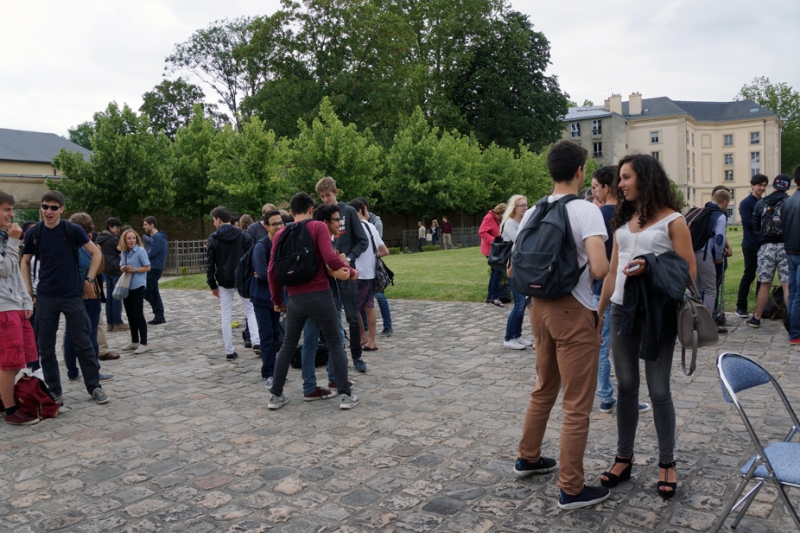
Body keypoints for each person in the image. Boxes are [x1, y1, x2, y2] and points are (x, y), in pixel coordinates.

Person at [513, 141, 610, 510]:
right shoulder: (586, 210)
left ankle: (529, 456)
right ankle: (571, 487)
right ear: (581, 171)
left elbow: (515, 266)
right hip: (573, 310)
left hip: (538, 308)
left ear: (551, 170)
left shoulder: (535, 208)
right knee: (576, 404)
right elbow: (600, 269)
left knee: (544, 387)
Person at [596, 153, 696, 500]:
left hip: (657, 315)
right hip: (622, 312)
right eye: (619, 179)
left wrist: (650, 266)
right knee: (625, 386)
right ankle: (624, 456)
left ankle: (667, 462)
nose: (619, 184)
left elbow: (689, 275)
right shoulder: (622, 221)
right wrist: (600, 311)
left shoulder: (674, 221)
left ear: (645, 178)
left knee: (658, 391)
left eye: (625, 178)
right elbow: (611, 272)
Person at [266, 192, 359, 410]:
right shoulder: (317, 227)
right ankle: (345, 394)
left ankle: (276, 395)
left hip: (295, 298)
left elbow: (272, 270)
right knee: (335, 342)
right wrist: (351, 271)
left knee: (288, 345)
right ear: (311, 210)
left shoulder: (280, 234)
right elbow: (330, 258)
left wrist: (277, 299)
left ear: (290, 212)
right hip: (320, 294)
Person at [20, 191, 108, 405]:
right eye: (44, 206)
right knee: (45, 346)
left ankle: (94, 386)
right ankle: (54, 390)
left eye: (53, 207)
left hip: (71, 295)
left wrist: (89, 279)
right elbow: (25, 261)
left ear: (62, 209)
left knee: (84, 343)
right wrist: (28, 291)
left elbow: (96, 253)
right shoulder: (35, 233)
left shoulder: (73, 229)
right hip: (46, 297)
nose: (48, 211)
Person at [590, 166, 651, 414]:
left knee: (604, 346)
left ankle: (606, 395)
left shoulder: (598, 215)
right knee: (623, 348)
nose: (594, 192)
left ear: (606, 187)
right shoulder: (627, 215)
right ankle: (618, 396)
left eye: (595, 187)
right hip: (624, 286)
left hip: (601, 285)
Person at [297, 203, 355, 401]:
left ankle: (311, 385)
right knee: (335, 339)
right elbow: (332, 268)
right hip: (324, 297)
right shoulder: (323, 242)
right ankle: (336, 380)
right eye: (337, 220)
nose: (340, 223)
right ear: (324, 223)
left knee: (310, 342)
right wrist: (347, 266)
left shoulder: (311, 239)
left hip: (306, 297)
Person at [316, 177, 370, 373]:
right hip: (327, 273)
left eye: (328, 195)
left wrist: (350, 257)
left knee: (352, 316)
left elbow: (362, 241)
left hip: (346, 271)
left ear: (336, 193)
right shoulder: (319, 215)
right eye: (322, 197)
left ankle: (357, 355)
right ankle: (336, 357)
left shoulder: (348, 212)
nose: (326, 200)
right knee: (331, 317)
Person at [0, 191, 40, 425]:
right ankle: (11, 410)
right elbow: (3, 269)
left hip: (14, 305)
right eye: (6, 209)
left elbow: (14, 274)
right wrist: (15, 242)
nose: (11, 214)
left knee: (21, 357)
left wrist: (26, 301)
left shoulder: (5, 238)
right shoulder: (9, 240)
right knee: (10, 361)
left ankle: (3, 398)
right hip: (3, 308)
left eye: (11, 209)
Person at [63, 213, 115, 382]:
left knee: (70, 333)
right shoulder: (89, 245)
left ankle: (72, 371)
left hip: (71, 293)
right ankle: (94, 371)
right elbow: (100, 268)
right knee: (90, 332)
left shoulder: (65, 244)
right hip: (89, 292)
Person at [206, 207, 260, 359]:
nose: (213, 223)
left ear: (218, 219)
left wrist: (212, 284)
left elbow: (210, 263)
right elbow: (252, 256)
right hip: (242, 278)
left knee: (226, 314)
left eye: (213, 220)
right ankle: (256, 341)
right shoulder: (243, 235)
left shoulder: (214, 238)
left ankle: (229, 350)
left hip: (224, 279)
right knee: (250, 310)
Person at [746, 175, 792, 328]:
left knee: (764, 283)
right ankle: (792, 320)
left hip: (766, 246)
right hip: (786, 246)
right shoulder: (790, 202)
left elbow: (756, 226)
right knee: (787, 284)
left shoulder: (761, 203)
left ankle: (757, 318)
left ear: (773, 186)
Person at [350, 199, 389, 351]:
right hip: (371, 273)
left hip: (358, 273)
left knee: (354, 308)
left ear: (359, 210)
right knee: (369, 306)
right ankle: (372, 340)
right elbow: (385, 250)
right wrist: (373, 255)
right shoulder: (371, 226)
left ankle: (362, 337)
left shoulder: (354, 228)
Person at [251, 210, 284, 388]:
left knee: (276, 334)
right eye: (274, 224)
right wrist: (282, 272)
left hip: (277, 297)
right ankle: (268, 373)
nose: (279, 226)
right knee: (267, 335)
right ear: (266, 227)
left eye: (280, 223)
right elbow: (263, 273)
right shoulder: (261, 246)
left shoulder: (282, 244)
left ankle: (276, 371)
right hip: (262, 298)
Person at [695, 189, 730, 334]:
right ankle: (706, 325)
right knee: (710, 290)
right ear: (725, 202)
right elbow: (719, 238)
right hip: (705, 254)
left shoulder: (702, 211)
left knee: (695, 290)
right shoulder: (719, 216)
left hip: (692, 253)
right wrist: (718, 257)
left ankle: (692, 320)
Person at [500, 195, 532, 350]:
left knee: (523, 304)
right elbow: (521, 243)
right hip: (513, 267)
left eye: (526, 205)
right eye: (522, 206)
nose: (525, 208)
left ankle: (517, 335)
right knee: (519, 304)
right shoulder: (510, 224)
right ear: (514, 208)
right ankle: (508, 337)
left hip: (522, 267)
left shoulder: (522, 222)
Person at [736, 174, 769, 317]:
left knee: (762, 276)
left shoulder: (765, 202)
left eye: (764, 185)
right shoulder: (746, 203)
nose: (762, 188)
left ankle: (759, 309)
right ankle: (740, 307)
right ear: (752, 185)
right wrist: (764, 224)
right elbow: (748, 223)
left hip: (763, 243)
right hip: (750, 243)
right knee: (749, 275)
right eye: (759, 185)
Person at [118, 229, 151, 354]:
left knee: (138, 314)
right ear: (124, 240)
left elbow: (148, 267)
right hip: (127, 285)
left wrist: (135, 270)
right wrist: (122, 268)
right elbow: (121, 265)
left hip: (138, 284)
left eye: (133, 238)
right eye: (129, 238)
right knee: (129, 314)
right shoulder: (124, 252)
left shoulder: (141, 251)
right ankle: (134, 340)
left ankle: (144, 342)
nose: (132, 240)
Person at [96, 218, 128, 332]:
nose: (118, 230)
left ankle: (110, 323)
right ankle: (117, 322)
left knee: (109, 297)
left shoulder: (100, 238)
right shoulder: (114, 239)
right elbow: (122, 252)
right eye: (117, 227)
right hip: (115, 269)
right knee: (117, 297)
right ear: (110, 226)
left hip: (106, 269)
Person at [782, 165, 800, 344]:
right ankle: (795, 333)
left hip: (790, 250)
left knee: (794, 293)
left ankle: (793, 329)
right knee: (797, 294)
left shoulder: (787, 202)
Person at [479, 203, 506, 307]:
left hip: (495, 250)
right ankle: (494, 297)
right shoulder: (489, 218)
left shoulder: (495, 218)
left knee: (496, 272)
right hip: (490, 250)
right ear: (498, 213)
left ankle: (491, 296)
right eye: (502, 215)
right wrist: (494, 240)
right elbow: (482, 232)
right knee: (497, 271)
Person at [142, 216, 167, 325]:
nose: (144, 227)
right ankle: (159, 316)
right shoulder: (155, 238)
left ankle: (158, 311)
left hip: (154, 268)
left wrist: (146, 253)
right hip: (153, 268)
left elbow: (151, 253)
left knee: (146, 292)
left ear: (152, 225)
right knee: (154, 292)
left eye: (145, 224)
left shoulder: (158, 238)